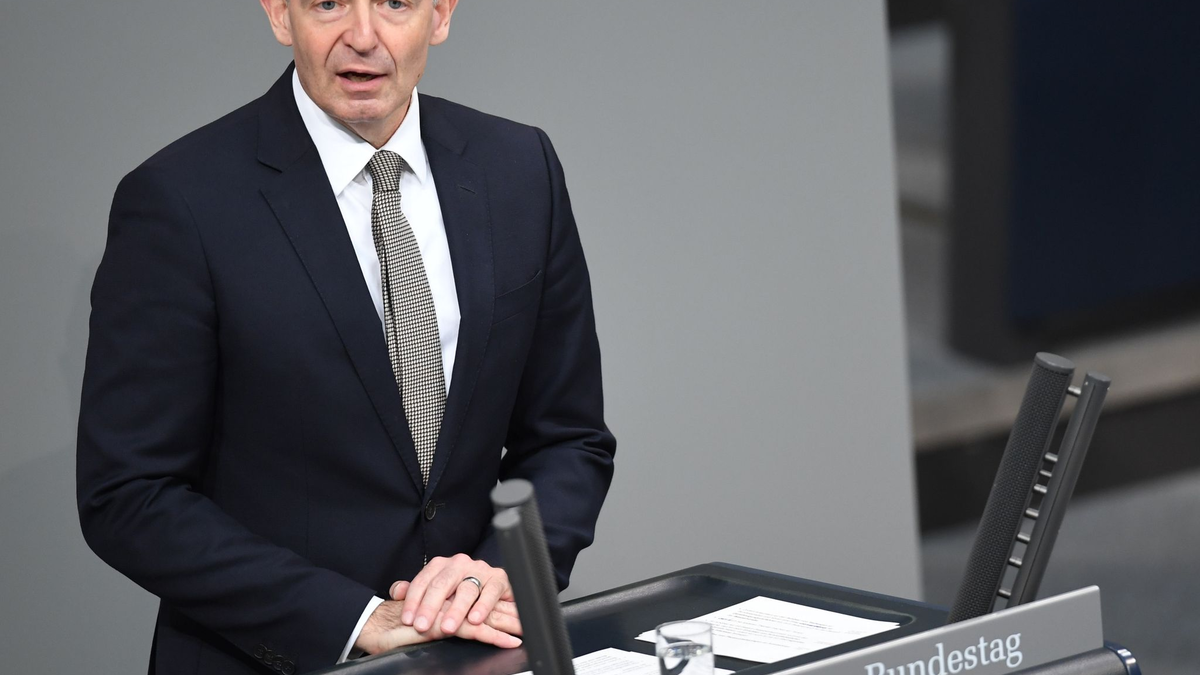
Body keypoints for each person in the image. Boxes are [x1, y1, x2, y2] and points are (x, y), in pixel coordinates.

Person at [75, 1, 616, 673]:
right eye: (328, 3)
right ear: (279, 13)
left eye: (395, 3)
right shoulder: (179, 199)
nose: (362, 37)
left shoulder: (520, 168)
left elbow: (569, 437)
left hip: (475, 651)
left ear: (441, 14)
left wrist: (497, 573)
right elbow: (128, 494)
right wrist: (354, 618)